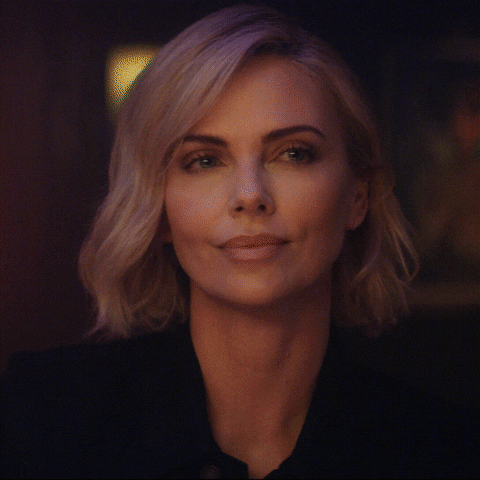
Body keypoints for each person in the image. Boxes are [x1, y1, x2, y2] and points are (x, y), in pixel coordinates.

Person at [1, 4, 478, 478]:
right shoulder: (39, 417)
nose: (250, 195)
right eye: (204, 160)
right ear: (158, 209)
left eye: (294, 153)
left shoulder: (447, 452)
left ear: (357, 196)